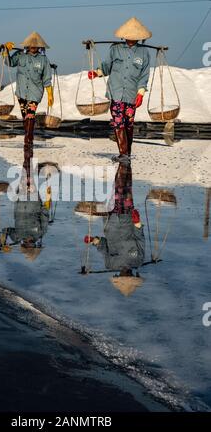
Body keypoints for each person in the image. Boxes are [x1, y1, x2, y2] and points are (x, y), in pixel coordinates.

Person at [88, 17, 151, 162]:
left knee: (128, 124)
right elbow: (106, 67)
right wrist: (97, 73)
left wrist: (141, 92)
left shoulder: (144, 53)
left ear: (139, 37)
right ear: (124, 35)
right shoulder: (115, 49)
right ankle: (123, 154)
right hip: (115, 91)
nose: (131, 39)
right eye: (128, 36)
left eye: (134, 37)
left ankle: (127, 154)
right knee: (118, 122)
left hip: (131, 94)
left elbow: (144, 75)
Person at [0, 32, 53, 169]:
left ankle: (28, 141)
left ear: (39, 47)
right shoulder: (20, 56)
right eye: (31, 45)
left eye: (36, 46)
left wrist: (50, 92)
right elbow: (9, 63)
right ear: (27, 46)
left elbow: (46, 77)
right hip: (21, 92)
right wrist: (6, 51)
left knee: (30, 116)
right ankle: (28, 138)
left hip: (35, 92)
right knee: (25, 118)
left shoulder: (43, 60)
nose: (33, 47)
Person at [84, 162, 145, 278]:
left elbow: (103, 247)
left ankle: (122, 163)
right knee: (126, 188)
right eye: (128, 275)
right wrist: (137, 222)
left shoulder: (110, 265)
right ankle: (126, 162)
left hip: (110, 221)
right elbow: (140, 239)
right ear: (132, 275)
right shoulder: (138, 261)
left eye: (123, 276)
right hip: (127, 218)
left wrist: (93, 240)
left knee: (115, 189)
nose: (125, 274)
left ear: (119, 276)